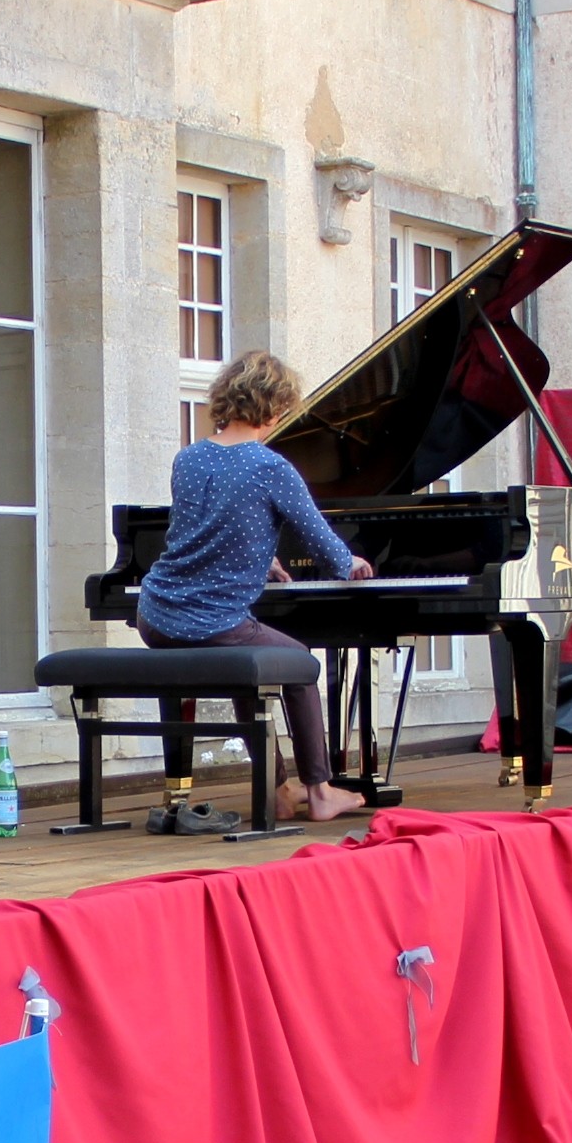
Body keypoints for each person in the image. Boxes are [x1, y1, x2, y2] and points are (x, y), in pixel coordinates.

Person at [137, 349, 376, 824]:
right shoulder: (270, 466)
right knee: (301, 664)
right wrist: (351, 563)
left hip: (156, 614)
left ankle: (278, 790)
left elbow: (199, 528)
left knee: (253, 671)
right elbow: (320, 540)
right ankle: (321, 789)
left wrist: (261, 556)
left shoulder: (188, 459)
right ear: (273, 408)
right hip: (213, 620)